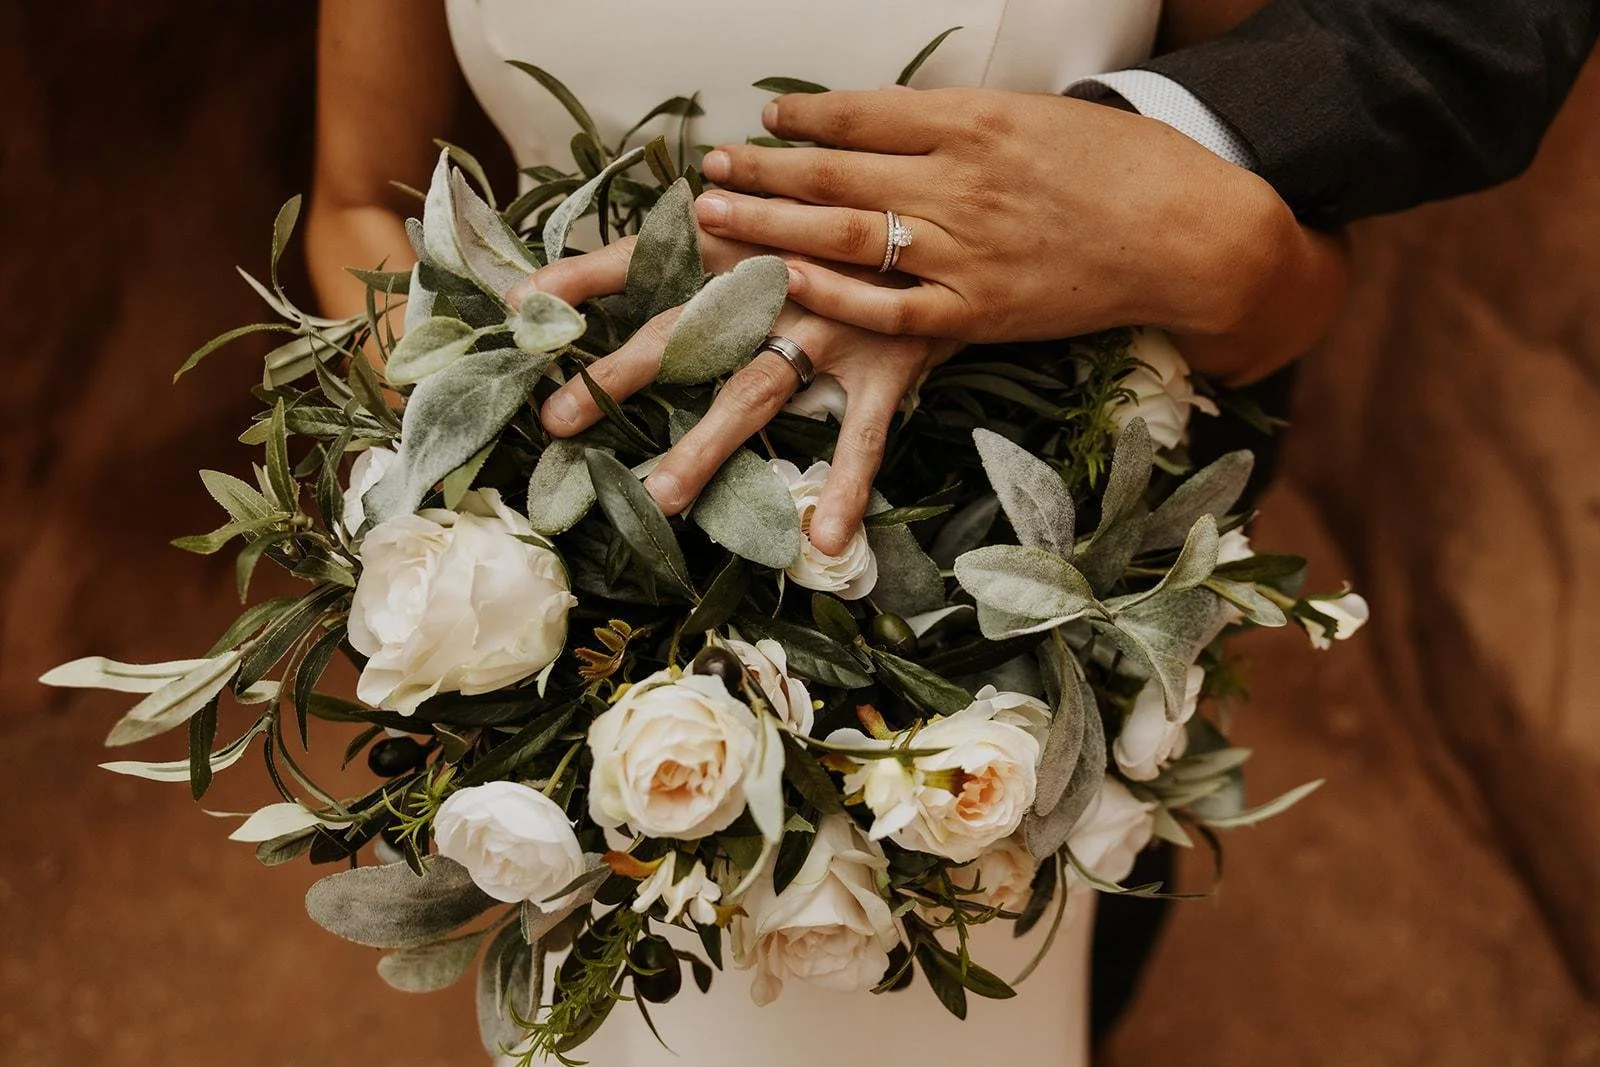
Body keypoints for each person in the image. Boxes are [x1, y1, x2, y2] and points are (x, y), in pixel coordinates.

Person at [304, 1, 1592, 1062]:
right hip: (580, 671)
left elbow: (1267, 278)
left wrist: (1155, 245)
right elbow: (359, 199)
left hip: (987, 681)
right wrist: (513, 509)